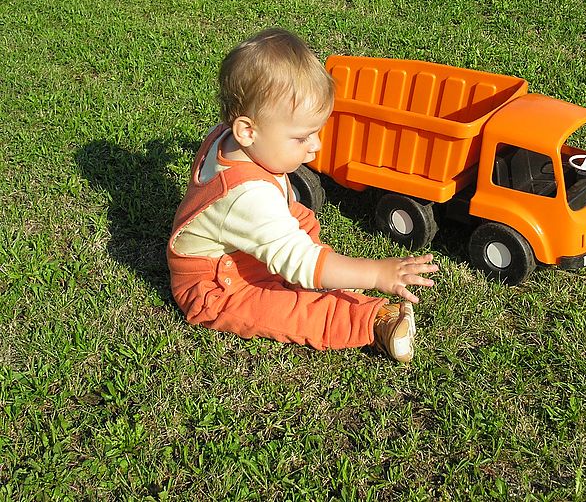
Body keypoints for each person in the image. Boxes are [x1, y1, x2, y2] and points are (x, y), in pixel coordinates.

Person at [166, 28, 438, 363]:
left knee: (301, 219)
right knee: (289, 312)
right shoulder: (246, 197)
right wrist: (376, 274)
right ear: (248, 131)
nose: (316, 146)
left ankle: (329, 276)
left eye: (316, 133)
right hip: (219, 284)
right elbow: (300, 259)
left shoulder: (227, 138)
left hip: (242, 245)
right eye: (301, 138)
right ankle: (373, 320)